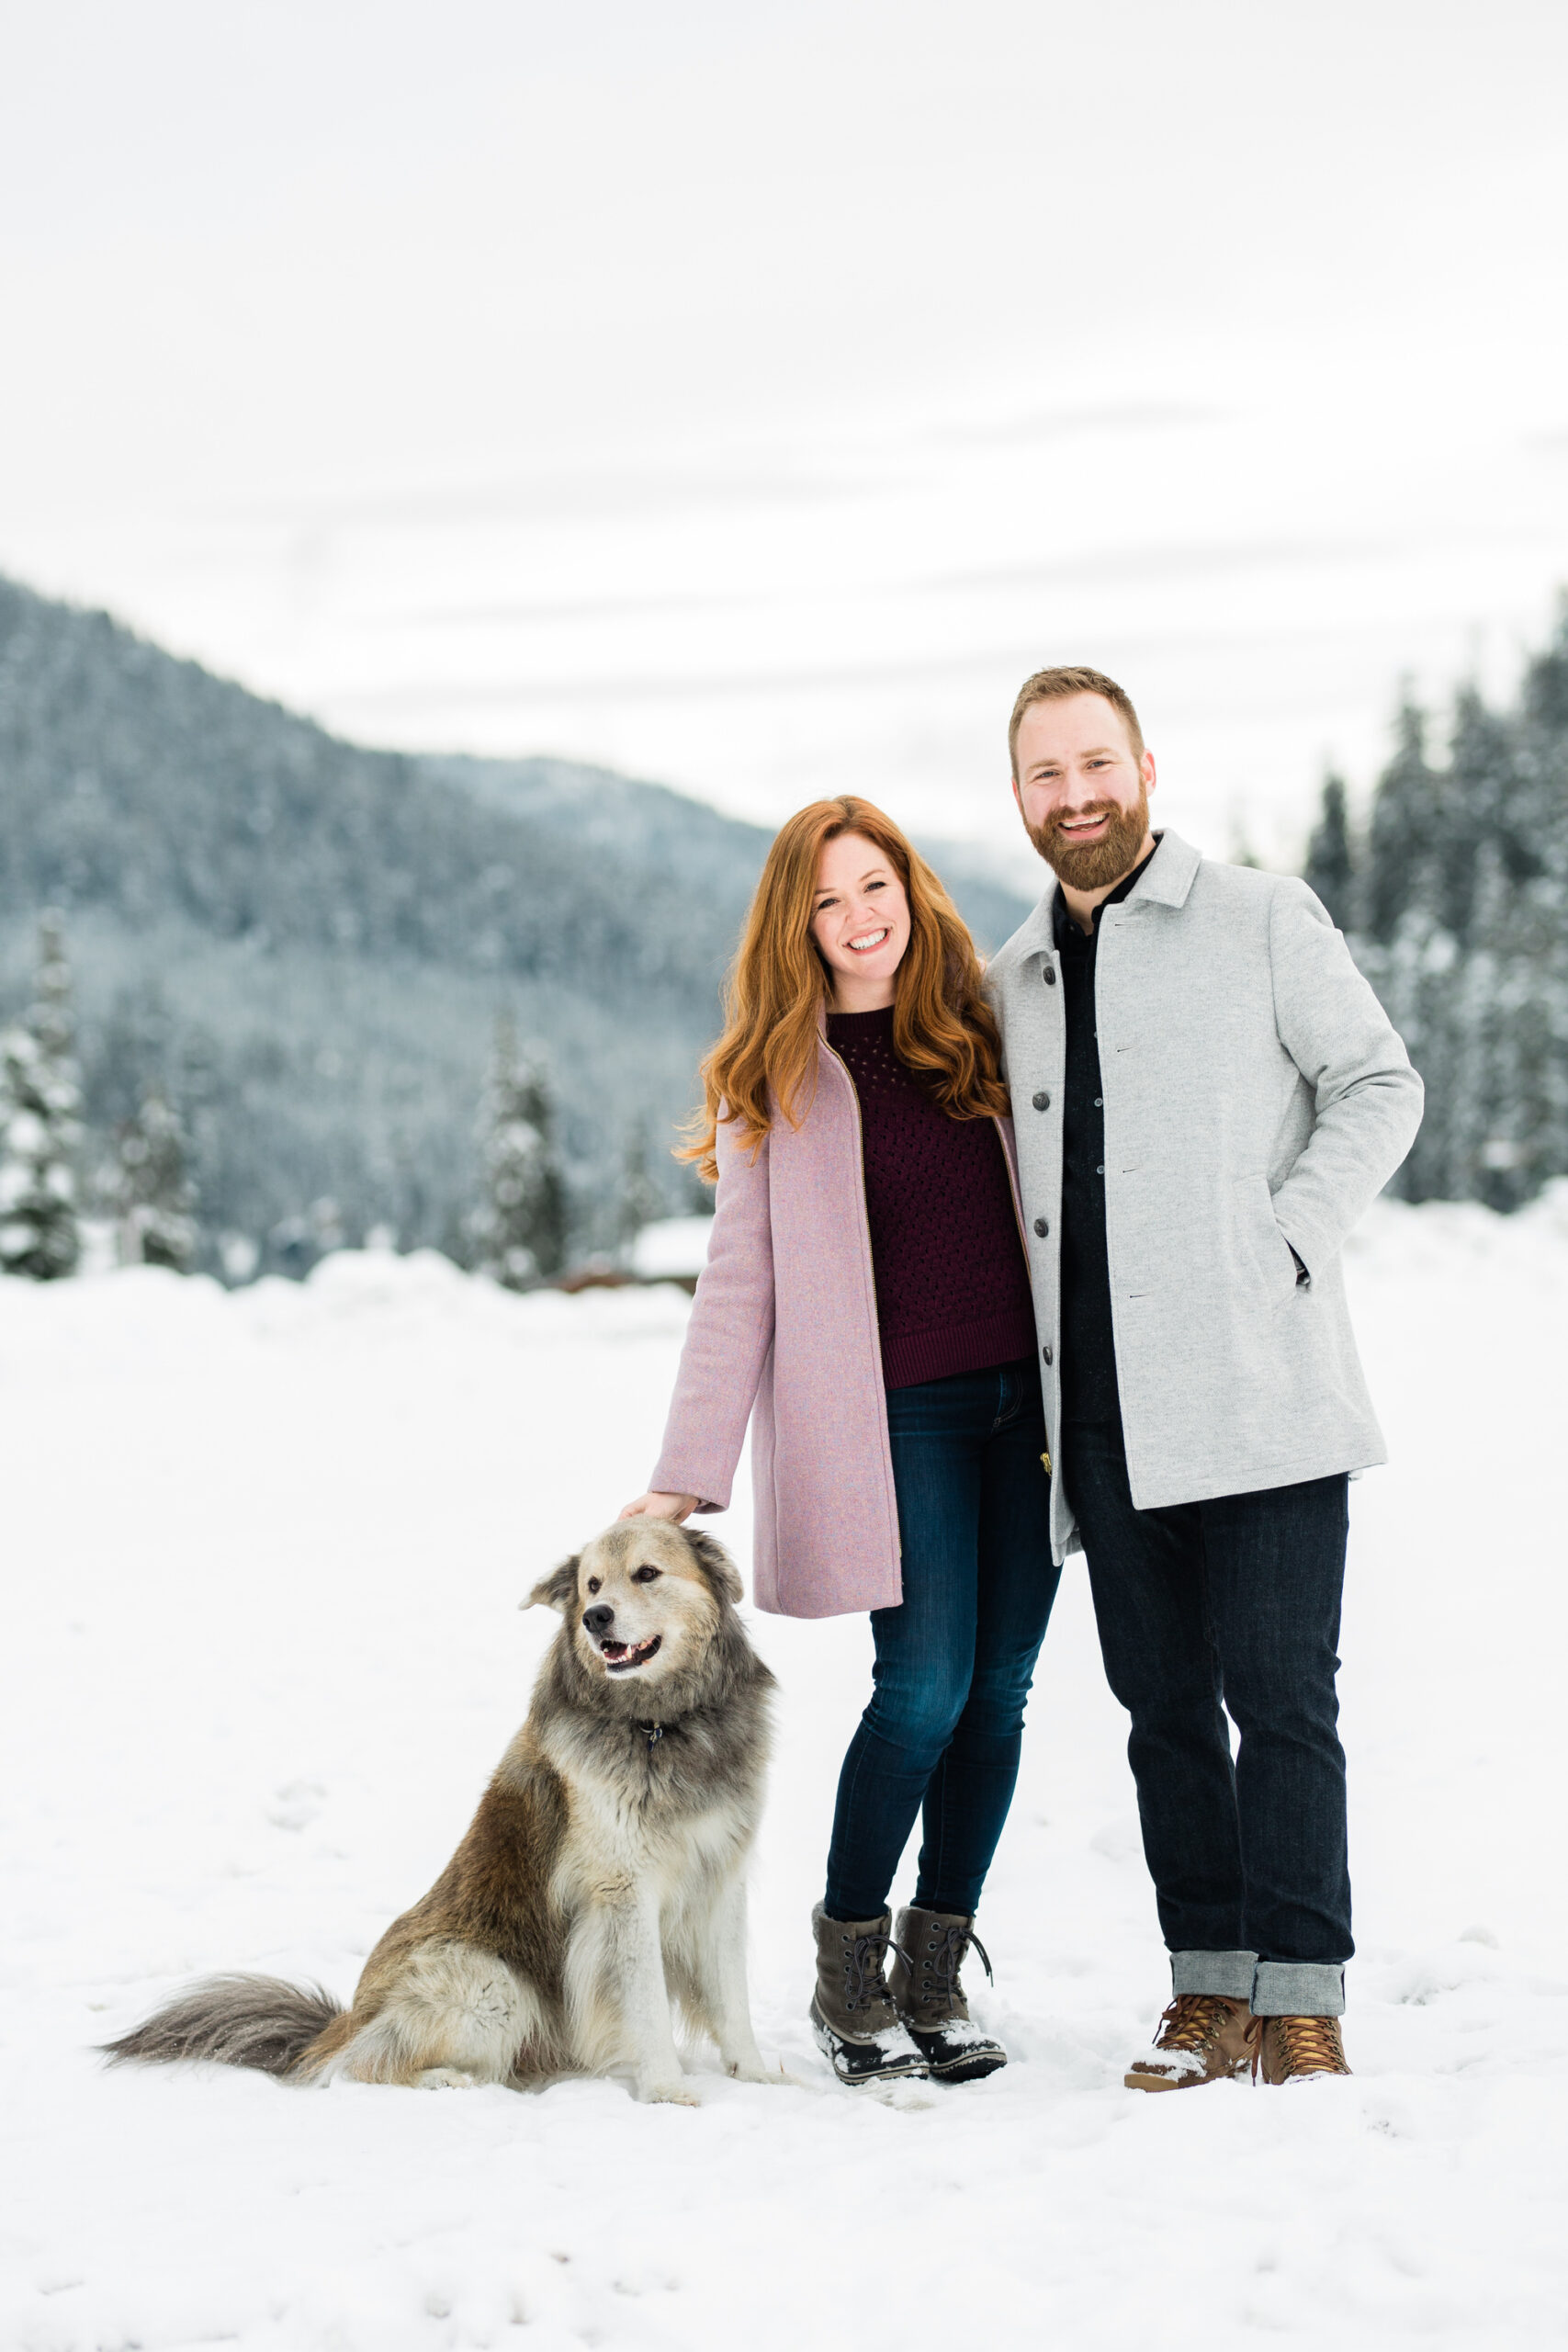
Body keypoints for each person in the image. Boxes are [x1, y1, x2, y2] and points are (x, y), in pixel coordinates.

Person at [987, 664, 1423, 2087]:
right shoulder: (1015, 976)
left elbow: (1378, 1083)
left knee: (1283, 1694)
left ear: (1146, 768)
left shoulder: (1259, 917)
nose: (1077, 796)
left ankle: (1301, 1999)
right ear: (1022, 799)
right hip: (1104, 1415)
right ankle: (1207, 1990)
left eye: (1096, 764)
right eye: (1048, 776)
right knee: (1162, 1704)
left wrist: (1286, 1239)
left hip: (1261, 1389)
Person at [619, 797, 1060, 2087]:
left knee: (1000, 1695)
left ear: (914, 892)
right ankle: (847, 1966)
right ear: (794, 926)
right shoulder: (779, 1076)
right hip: (896, 1419)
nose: (859, 918)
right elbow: (738, 1285)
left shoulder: (980, 1027)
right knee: (922, 1687)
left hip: (1024, 1411)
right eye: (827, 899)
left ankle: (937, 1969)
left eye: (877, 887)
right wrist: (684, 1469)